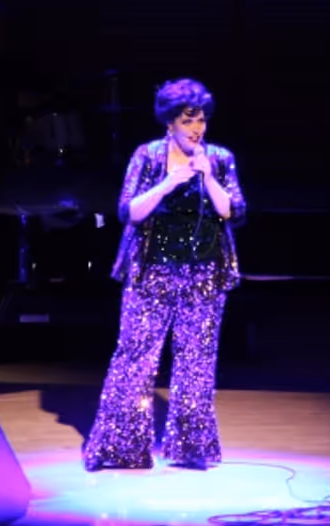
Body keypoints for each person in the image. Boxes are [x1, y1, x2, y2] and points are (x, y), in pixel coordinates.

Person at [82, 78, 246, 471]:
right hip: (151, 272)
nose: (196, 128)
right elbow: (129, 211)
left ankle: (192, 448)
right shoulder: (147, 155)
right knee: (134, 356)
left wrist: (207, 177)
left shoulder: (219, 158)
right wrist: (170, 182)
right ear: (169, 123)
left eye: (201, 120)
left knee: (197, 360)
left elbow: (233, 211)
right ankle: (120, 448)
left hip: (204, 274)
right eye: (188, 121)